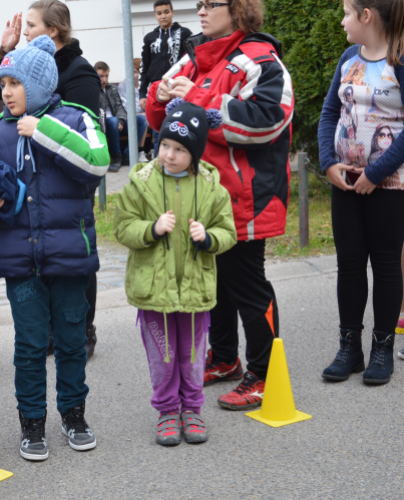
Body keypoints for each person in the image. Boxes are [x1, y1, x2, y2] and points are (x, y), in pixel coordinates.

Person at [146, 0, 293, 410]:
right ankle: (226, 358)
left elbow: (267, 120)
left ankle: (265, 375)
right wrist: (158, 96)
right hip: (200, 200)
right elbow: (162, 122)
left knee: (248, 287)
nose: (203, 11)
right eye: (200, 4)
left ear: (239, 9)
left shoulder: (261, 60)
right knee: (215, 286)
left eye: (213, 4)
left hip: (245, 198)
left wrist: (198, 101)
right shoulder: (193, 57)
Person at [0, 35, 108, 461]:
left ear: (38, 83)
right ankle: (32, 423)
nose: (6, 92)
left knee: (70, 342)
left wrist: (43, 130)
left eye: (14, 83)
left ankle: (74, 414)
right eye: (3, 83)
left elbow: (97, 164)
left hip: (69, 259)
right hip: (20, 262)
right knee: (30, 347)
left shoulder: (77, 117)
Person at [115, 99, 236, 446]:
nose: (169, 154)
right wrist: (150, 228)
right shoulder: (141, 182)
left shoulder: (212, 187)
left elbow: (227, 231)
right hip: (154, 293)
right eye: (164, 144)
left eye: (180, 149)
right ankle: (168, 410)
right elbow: (122, 227)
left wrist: (209, 237)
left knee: (193, 355)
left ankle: (193, 409)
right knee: (163, 356)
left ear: (195, 154)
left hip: (195, 290)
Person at [0, 0, 102, 358]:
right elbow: (4, 96)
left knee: (73, 250)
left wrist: (45, 129)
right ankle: (51, 329)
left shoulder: (78, 71)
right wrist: (4, 52)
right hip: (32, 167)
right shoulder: (28, 62)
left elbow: (80, 119)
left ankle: (82, 326)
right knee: (43, 254)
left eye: (32, 27)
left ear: (53, 30)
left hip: (65, 170)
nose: (26, 34)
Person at [318, 0, 404, 384]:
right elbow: (329, 113)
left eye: (347, 13)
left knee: (385, 265)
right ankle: (349, 346)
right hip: (346, 183)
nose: (342, 21)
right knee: (349, 264)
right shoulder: (349, 57)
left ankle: (382, 348)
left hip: (389, 185)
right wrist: (328, 163)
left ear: (366, 16)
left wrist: (376, 172)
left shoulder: (400, 59)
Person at [138, 0, 192, 127]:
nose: (163, 16)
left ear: (172, 13)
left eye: (166, 12)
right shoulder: (149, 38)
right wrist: (142, 94)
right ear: (155, 15)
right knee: (159, 127)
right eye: (159, 13)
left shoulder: (185, 33)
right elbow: (144, 67)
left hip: (178, 87)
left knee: (181, 124)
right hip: (157, 89)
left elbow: (192, 61)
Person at [95, 61, 128, 172]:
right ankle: (117, 156)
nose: (104, 79)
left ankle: (128, 155)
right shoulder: (93, 89)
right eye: (101, 76)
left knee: (141, 120)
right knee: (113, 121)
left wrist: (121, 120)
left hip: (116, 122)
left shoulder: (112, 88)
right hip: (104, 124)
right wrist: (116, 121)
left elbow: (119, 106)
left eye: (106, 76)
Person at [117, 58, 150, 164]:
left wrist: (144, 110)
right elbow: (127, 107)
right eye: (130, 71)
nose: (132, 74)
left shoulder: (146, 85)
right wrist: (143, 110)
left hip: (144, 116)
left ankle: (153, 151)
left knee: (158, 116)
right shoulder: (124, 85)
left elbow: (151, 104)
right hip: (128, 119)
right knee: (142, 119)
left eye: (135, 72)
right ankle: (133, 153)